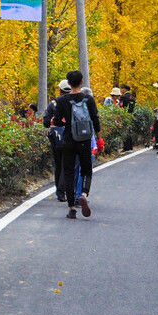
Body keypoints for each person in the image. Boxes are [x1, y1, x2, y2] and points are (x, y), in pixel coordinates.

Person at [51, 70, 101, 220]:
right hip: (85, 139)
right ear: (81, 82)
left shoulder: (61, 101)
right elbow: (95, 119)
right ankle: (84, 194)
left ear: (68, 83)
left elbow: (58, 121)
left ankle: (72, 208)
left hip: (68, 140)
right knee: (86, 170)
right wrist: (99, 138)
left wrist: (66, 122)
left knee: (68, 172)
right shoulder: (88, 99)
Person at [43, 79, 71, 201]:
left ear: (60, 90)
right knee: (67, 163)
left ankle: (59, 190)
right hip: (70, 136)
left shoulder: (53, 103)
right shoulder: (74, 101)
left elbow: (45, 122)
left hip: (55, 137)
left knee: (58, 163)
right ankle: (62, 190)